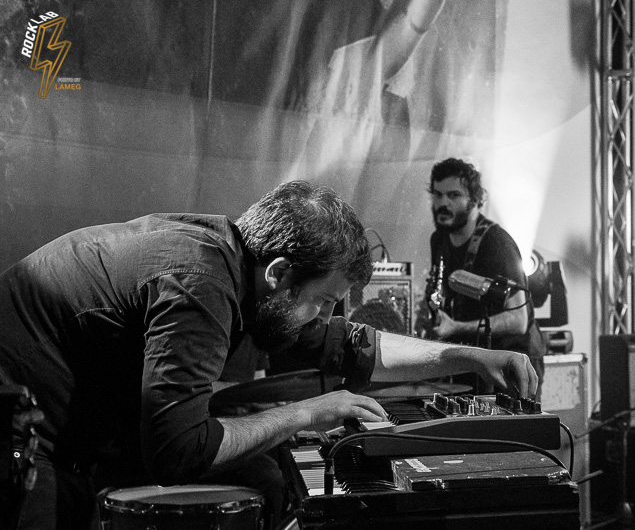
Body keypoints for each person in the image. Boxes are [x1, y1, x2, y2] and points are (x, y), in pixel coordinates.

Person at [0, 180, 537, 530]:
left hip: (64, 426)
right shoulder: (201, 283)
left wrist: (470, 356)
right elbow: (179, 450)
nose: (322, 315)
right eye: (322, 300)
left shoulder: (242, 267)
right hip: (20, 431)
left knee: (260, 473)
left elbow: (350, 345)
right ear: (280, 273)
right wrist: (306, 413)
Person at [415, 158, 547, 397]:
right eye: (437, 194)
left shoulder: (496, 243)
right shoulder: (439, 239)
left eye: (454, 195)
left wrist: (455, 327)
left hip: (512, 364)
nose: (442, 203)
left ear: (475, 199)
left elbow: (518, 320)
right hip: (474, 358)